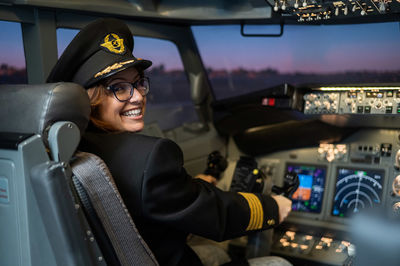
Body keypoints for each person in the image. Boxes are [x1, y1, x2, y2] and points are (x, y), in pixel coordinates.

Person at [47, 18, 292, 266]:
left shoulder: (66, 148)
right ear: (91, 99)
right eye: (119, 88)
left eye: (138, 83)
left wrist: (189, 188)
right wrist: (273, 207)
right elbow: (218, 214)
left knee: (217, 254)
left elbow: (156, 202)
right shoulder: (148, 157)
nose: (138, 96)